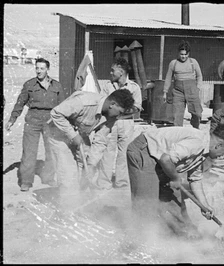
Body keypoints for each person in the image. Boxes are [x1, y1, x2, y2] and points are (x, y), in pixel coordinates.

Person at [126, 123, 224, 234]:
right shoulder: (197, 143)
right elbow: (165, 159)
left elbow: (195, 178)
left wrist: (204, 205)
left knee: (176, 203)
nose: (221, 156)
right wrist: (175, 178)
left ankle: (184, 235)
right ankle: (141, 239)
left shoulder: (204, 150)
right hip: (146, 151)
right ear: (218, 145)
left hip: (161, 161)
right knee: (147, 204)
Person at [47, 89, 135, 191]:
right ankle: (68, 203)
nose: (119, 116)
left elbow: (101, 141)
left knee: (86, 171)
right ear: (112, 104)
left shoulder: (110, 117)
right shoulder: (84, 102)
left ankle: (80, 197)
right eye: (119, 112)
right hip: (58, 135)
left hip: (80, 135)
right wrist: (72, 135)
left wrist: (91, 164)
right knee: (67, 174)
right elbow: (56, 113)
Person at [6, 58, 66, 191]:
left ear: (47, 69)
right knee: (29, 151)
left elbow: (63, 106)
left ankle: (49, 177)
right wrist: (12, 119)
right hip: (33, 119)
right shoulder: (29, 85)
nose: (39, 71)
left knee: (51, 150)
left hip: (50, 121)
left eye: (42, 68)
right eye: (37, 68)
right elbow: (20, 103)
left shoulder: (57, 86)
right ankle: (26, 181)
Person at [96, 57, 142, 189]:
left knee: (124, 153)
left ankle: (122, 182)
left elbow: (137, 107)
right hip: (110, 123)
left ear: (121, 72)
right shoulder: (107, 87)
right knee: (107, 151)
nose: (110, 73)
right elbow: (103, 103)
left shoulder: (134, 87)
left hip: (126, 123)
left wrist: (121, 111)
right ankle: (104, 182)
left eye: (112, 71)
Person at [163, 40, 203, 129]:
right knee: (177, 115)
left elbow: (199, 76)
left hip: (192, 90)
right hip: (178, 92)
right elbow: (168, 78)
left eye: (185, 54)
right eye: (181, 54)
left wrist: (198, 88)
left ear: (188, 53)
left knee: (197, 112)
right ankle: (178, 133)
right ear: (178, 53)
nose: (183, 56)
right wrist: (165, 92)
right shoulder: (173, 63)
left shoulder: (193, 62)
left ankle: (195, 129)